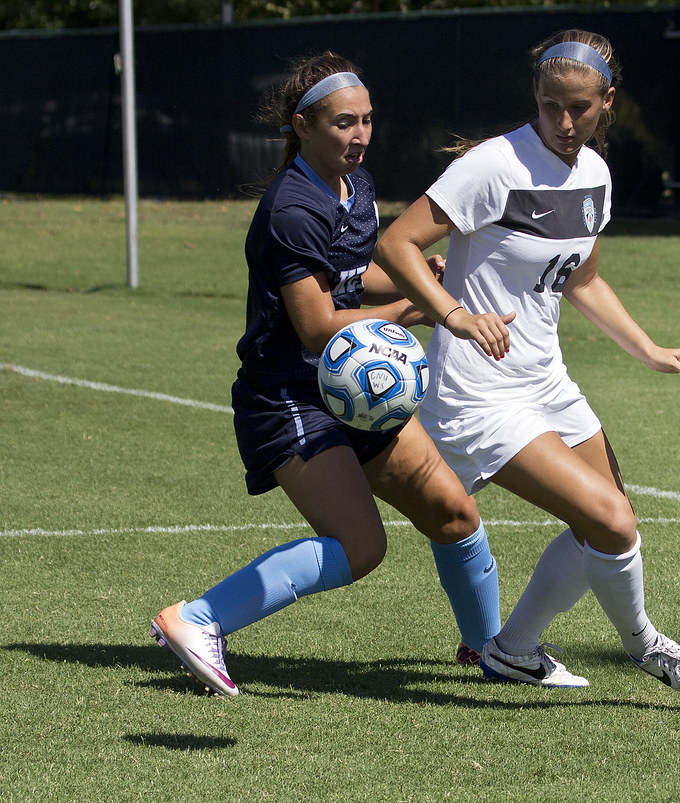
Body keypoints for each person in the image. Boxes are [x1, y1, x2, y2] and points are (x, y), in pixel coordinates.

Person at [374, 30, 680, 692]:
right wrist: (454, 315)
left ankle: (512, 648)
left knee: (609, 522)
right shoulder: (494, 167)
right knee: (612, 522)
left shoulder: (596, 175)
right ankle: (647, 645)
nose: (564, 123)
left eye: (580, 108)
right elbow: (397, 244)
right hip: (477, 395)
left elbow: (582, 279)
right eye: (550, 105)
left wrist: (649, 350)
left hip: (546, 381)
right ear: (535, 96)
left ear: (607, 102)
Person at [150, 52, 500, 696]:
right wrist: (409, 310)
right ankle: (197, 619)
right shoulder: (291, 208)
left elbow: (347, 273)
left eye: (367, 121)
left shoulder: (353, 185)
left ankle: (493, 649)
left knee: (454, 511)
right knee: (360, 546)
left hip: (350, 387)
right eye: (344, 123)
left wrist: (413, 277)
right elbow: (313, 323)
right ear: (301, 125)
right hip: (287, 396)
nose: (360, 136)